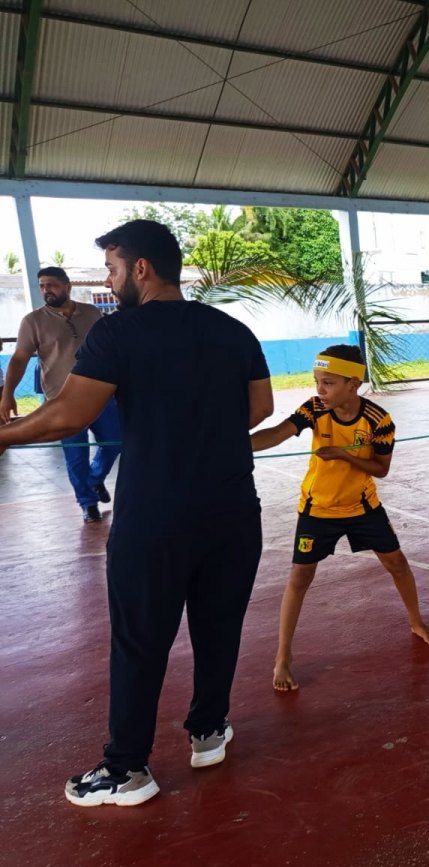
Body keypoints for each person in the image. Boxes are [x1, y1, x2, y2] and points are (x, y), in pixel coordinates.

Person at [0, 220, 273, 807]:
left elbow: (70, 414)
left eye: (114, 268)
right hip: (233, 512)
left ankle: (127, 770)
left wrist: (7, 435)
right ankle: (207, 732)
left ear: (141, 268)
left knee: (140, 640)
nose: (109, 279)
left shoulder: (118, 333)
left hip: (156, 518)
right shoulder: (233, 330)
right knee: (218, 626)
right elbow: (260, 407)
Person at [252, 344, 429, 685]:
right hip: (317, 509)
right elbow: (279, 433)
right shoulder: (314, 410)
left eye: (328, 382)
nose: (319, 390)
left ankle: (415, 620)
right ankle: (283, 657)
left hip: (362, 507)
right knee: (299, 578)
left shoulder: (378, 421)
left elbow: (380, 469)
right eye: (317, 381)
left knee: (397, 563)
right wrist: (231, 443)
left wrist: (343, 454)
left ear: (353, 384)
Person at [0, 266, 121, 522]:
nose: (46, 290)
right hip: (60, 400)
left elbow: (110, 350)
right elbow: (20, 358)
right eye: (42, 286)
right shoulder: (33, 321)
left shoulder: (92, 312)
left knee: (115, 442)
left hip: (100, 395)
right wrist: (7, 393)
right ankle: (87, 502)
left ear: (68, 286)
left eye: (52, 285)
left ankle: (94, 478)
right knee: (76, 455)